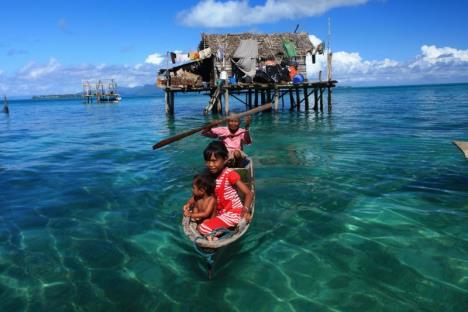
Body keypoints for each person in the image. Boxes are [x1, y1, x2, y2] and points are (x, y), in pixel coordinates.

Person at [198, 141, 253, 240]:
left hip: (234, 213)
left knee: (202, 227)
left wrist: (245, 210)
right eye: (208, 161)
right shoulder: (209, 175)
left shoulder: (229, 174)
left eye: (214, 161)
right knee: (203, 224)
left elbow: (248, 193)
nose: (210, 164)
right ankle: (218, 235)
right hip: (222, 213)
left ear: (225, 160)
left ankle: (214, 240)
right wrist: (189, 204)